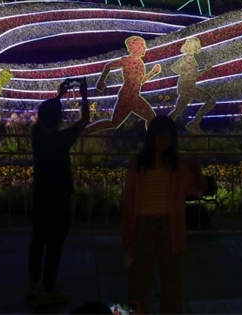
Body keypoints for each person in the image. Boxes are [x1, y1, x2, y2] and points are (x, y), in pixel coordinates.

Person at [123, 116, 204, 313]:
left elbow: (197, 190)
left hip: (170, 224)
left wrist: (195, 169)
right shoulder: (137, 164)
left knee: (172, 281)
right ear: (151, 136)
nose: (164, 139)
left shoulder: (178, 166)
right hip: (143, 224)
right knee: (139, 282)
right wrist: (127, 237)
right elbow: (129, 200)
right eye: (160, 134)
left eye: (168, 135)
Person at [28, 77, 90, 306]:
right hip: (60, 199)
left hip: (40, 197)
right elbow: (84, 120)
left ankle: (33, 286)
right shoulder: (61, 139)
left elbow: (47, 114)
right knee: (54, 245)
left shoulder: (37, 135)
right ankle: (49, 288)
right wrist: (83, 94)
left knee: (38, 241)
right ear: (58, 119)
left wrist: (59, 95)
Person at [86, 35, 162, 133]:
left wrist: (153, 73)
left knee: (114, 123)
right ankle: (152, 140)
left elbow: (138, 83)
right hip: (129, 97)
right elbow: (108, 65)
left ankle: (85, 131)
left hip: (131, 96)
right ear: (135, 48)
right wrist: (101, 81)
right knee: (150, 117)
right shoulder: (127, 60)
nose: (145, 48)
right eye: (142, 45)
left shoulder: (140, 63)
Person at [168, 37, 215, 134]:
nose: (197, 47)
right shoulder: (187, 58)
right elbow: (174, 68)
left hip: (187, 85)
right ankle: (193, 124)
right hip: (187, 86)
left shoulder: (190, 58)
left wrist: (205, 70)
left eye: (196, 46)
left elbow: (194, 75)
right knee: (210, 101)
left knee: (178, 110)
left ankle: (164, 126)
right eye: (195, 46)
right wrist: (184, 73)